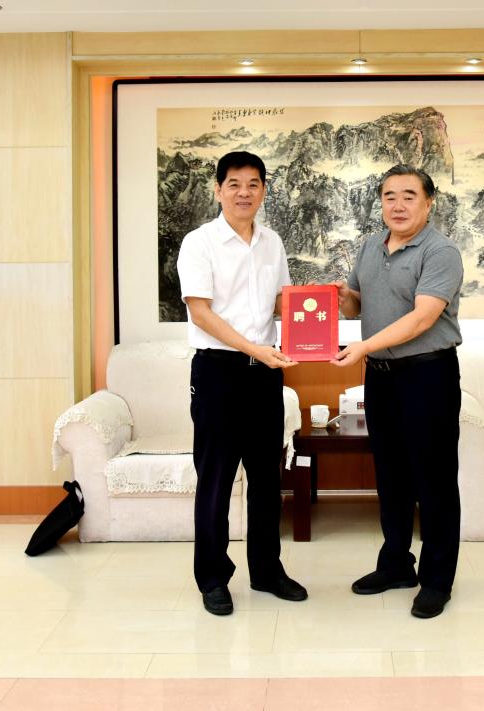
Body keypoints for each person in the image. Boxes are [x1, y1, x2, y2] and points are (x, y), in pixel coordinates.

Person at [177, 151, 307, 616]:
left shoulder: (272, 242)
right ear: (218, 190)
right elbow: (201, 312)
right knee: (215, 480)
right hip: (219, 373)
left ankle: (267, 571)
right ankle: (213, 578)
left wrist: (318, 306)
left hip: (265, 374)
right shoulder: (200, 243)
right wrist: (254, 348)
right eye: (234, 184)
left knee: (267, 480)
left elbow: (279, 304)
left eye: (253, 184)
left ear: (264, 190)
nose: (244, 192)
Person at [332, 164, 463, 619]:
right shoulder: (371, 246)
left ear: (429, 202)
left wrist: (363, 346)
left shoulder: (441, 251)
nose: (399, 205)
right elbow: (358, 304)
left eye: (409, 196)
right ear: (381, 203)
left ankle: (437, 580)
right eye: (390, 196)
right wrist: (340, 297)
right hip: (381, 376)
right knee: (391, 476)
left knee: (434, 480)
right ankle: (395, 565)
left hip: (428, 375)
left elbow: (423, 317)